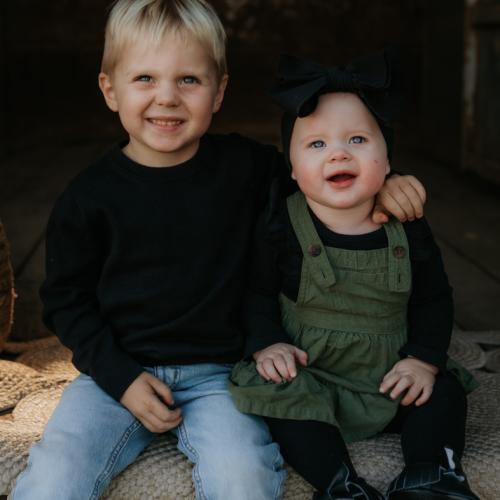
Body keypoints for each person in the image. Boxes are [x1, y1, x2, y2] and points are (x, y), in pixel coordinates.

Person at [10, 2, 426, 499]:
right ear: (110, 89)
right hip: (113, 376)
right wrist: (121, 379)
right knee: (56, 473)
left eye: (189, 79)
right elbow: (66, 302)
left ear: (219, 91)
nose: (167, 97)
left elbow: (325, 174)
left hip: (223, 375)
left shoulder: (247, 168)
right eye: (144, 78)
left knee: (243, 475)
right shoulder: (88, 198)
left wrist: (385, 184)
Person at [229, 51, 479, 500]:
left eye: (358, 139)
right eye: (316, 144)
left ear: (388, 160)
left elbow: (433, 297)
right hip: (309, 370)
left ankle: (432, 475)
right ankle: (339, 484)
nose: (338, 153)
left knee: (443, 392)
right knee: (277, 394)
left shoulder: (407, 223)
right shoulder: (281, 224)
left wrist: (422, 360)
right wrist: (268, 343)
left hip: (390, 373)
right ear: (292, 168)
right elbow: (257, 292)